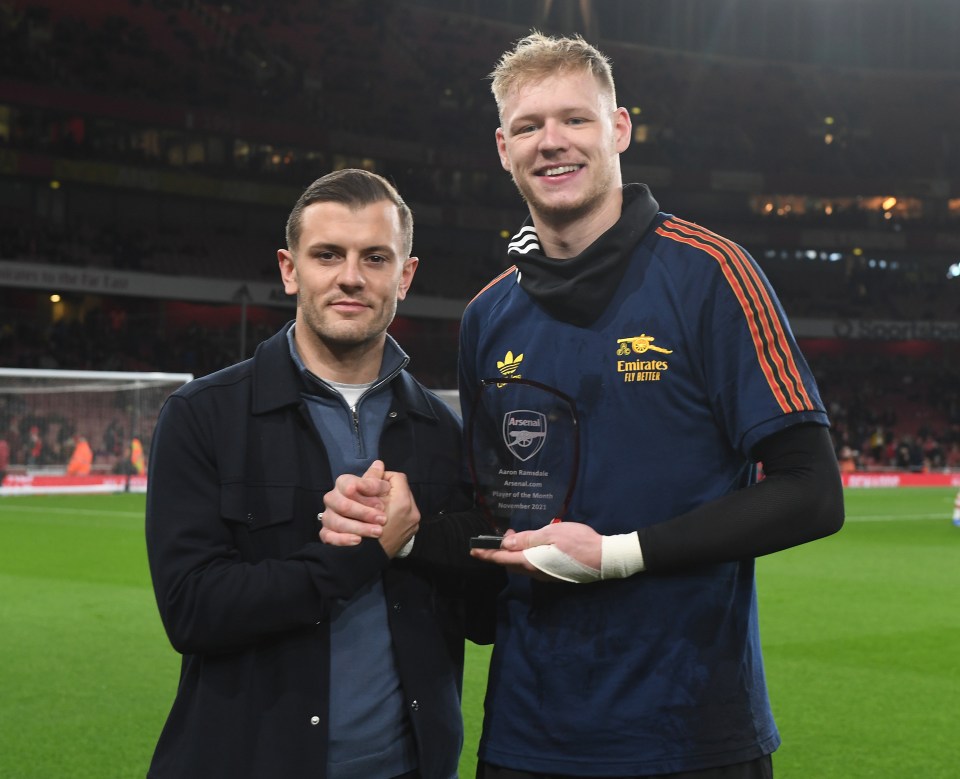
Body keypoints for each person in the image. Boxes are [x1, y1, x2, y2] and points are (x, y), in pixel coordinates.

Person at [320, 33, 845, 779]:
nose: (552, 142)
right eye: (529, 127)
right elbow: (498, 519)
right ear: (503, 148)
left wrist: (618, 555)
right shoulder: (488, 316)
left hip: (691, 736)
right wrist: (403, 531)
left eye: (576, 119)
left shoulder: (713, 275)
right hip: (527, 737)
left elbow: (812, 492)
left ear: (620, 129)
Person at [144, 168, 500, 778]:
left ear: (406, 276)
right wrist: (361, 553)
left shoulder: (443, 432)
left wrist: (431, 539)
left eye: (376, 257)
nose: (351, 277)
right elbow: (193, 611)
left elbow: (482, 618)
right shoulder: (203, 415)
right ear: (289, 269)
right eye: (327, 254)